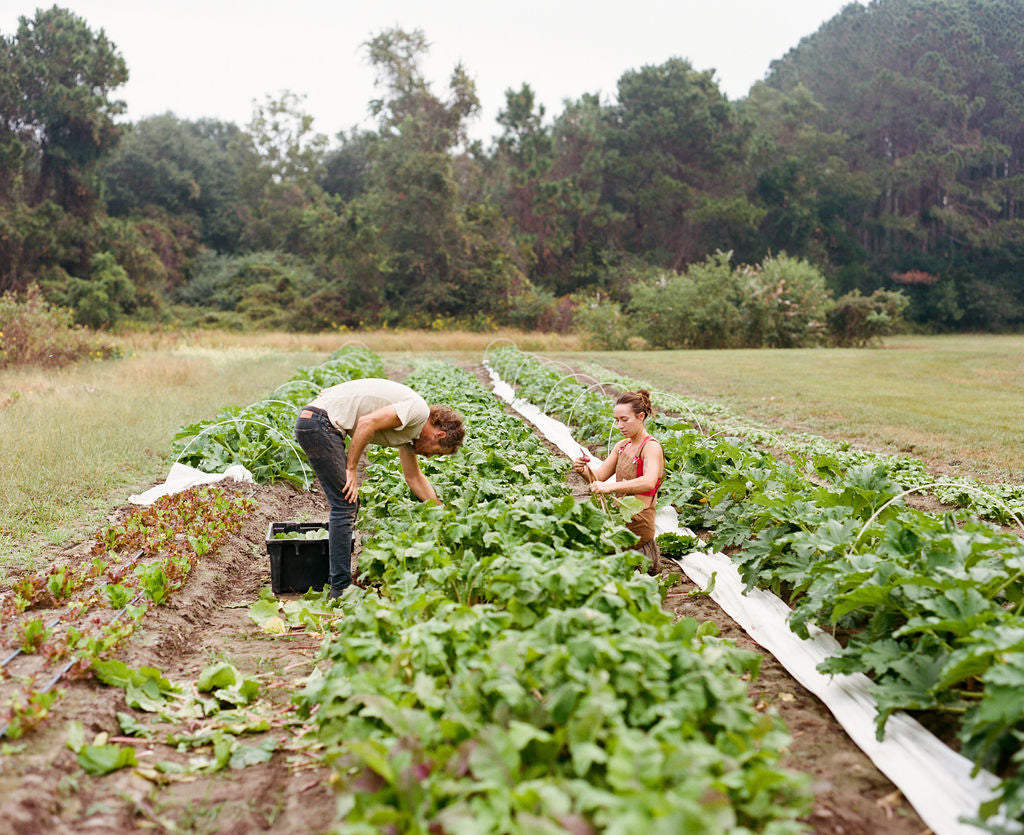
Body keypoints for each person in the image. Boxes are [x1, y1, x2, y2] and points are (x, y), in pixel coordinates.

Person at [294, 378, 465, 597]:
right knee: (345, 503)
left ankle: (340, 583)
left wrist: (440, 511)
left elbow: (413, 477)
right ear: (438, 435)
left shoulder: (411, 435)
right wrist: (351, 468)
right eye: (435, 451)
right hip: (320, 423)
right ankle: (340, 587)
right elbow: (367, 422)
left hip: (317, 421)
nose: (429, 455)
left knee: (345, 503)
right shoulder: (418, 411)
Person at [572, 390, 665, 572]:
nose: (619, 425)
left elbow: (649, 482)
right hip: (619, 517)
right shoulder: (622, 446)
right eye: (617, 420)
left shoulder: (651, 447)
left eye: (624, 419)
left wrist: (610, 487)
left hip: (639, 521)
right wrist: (584, 470)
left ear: (641, 416)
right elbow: (599, 477)